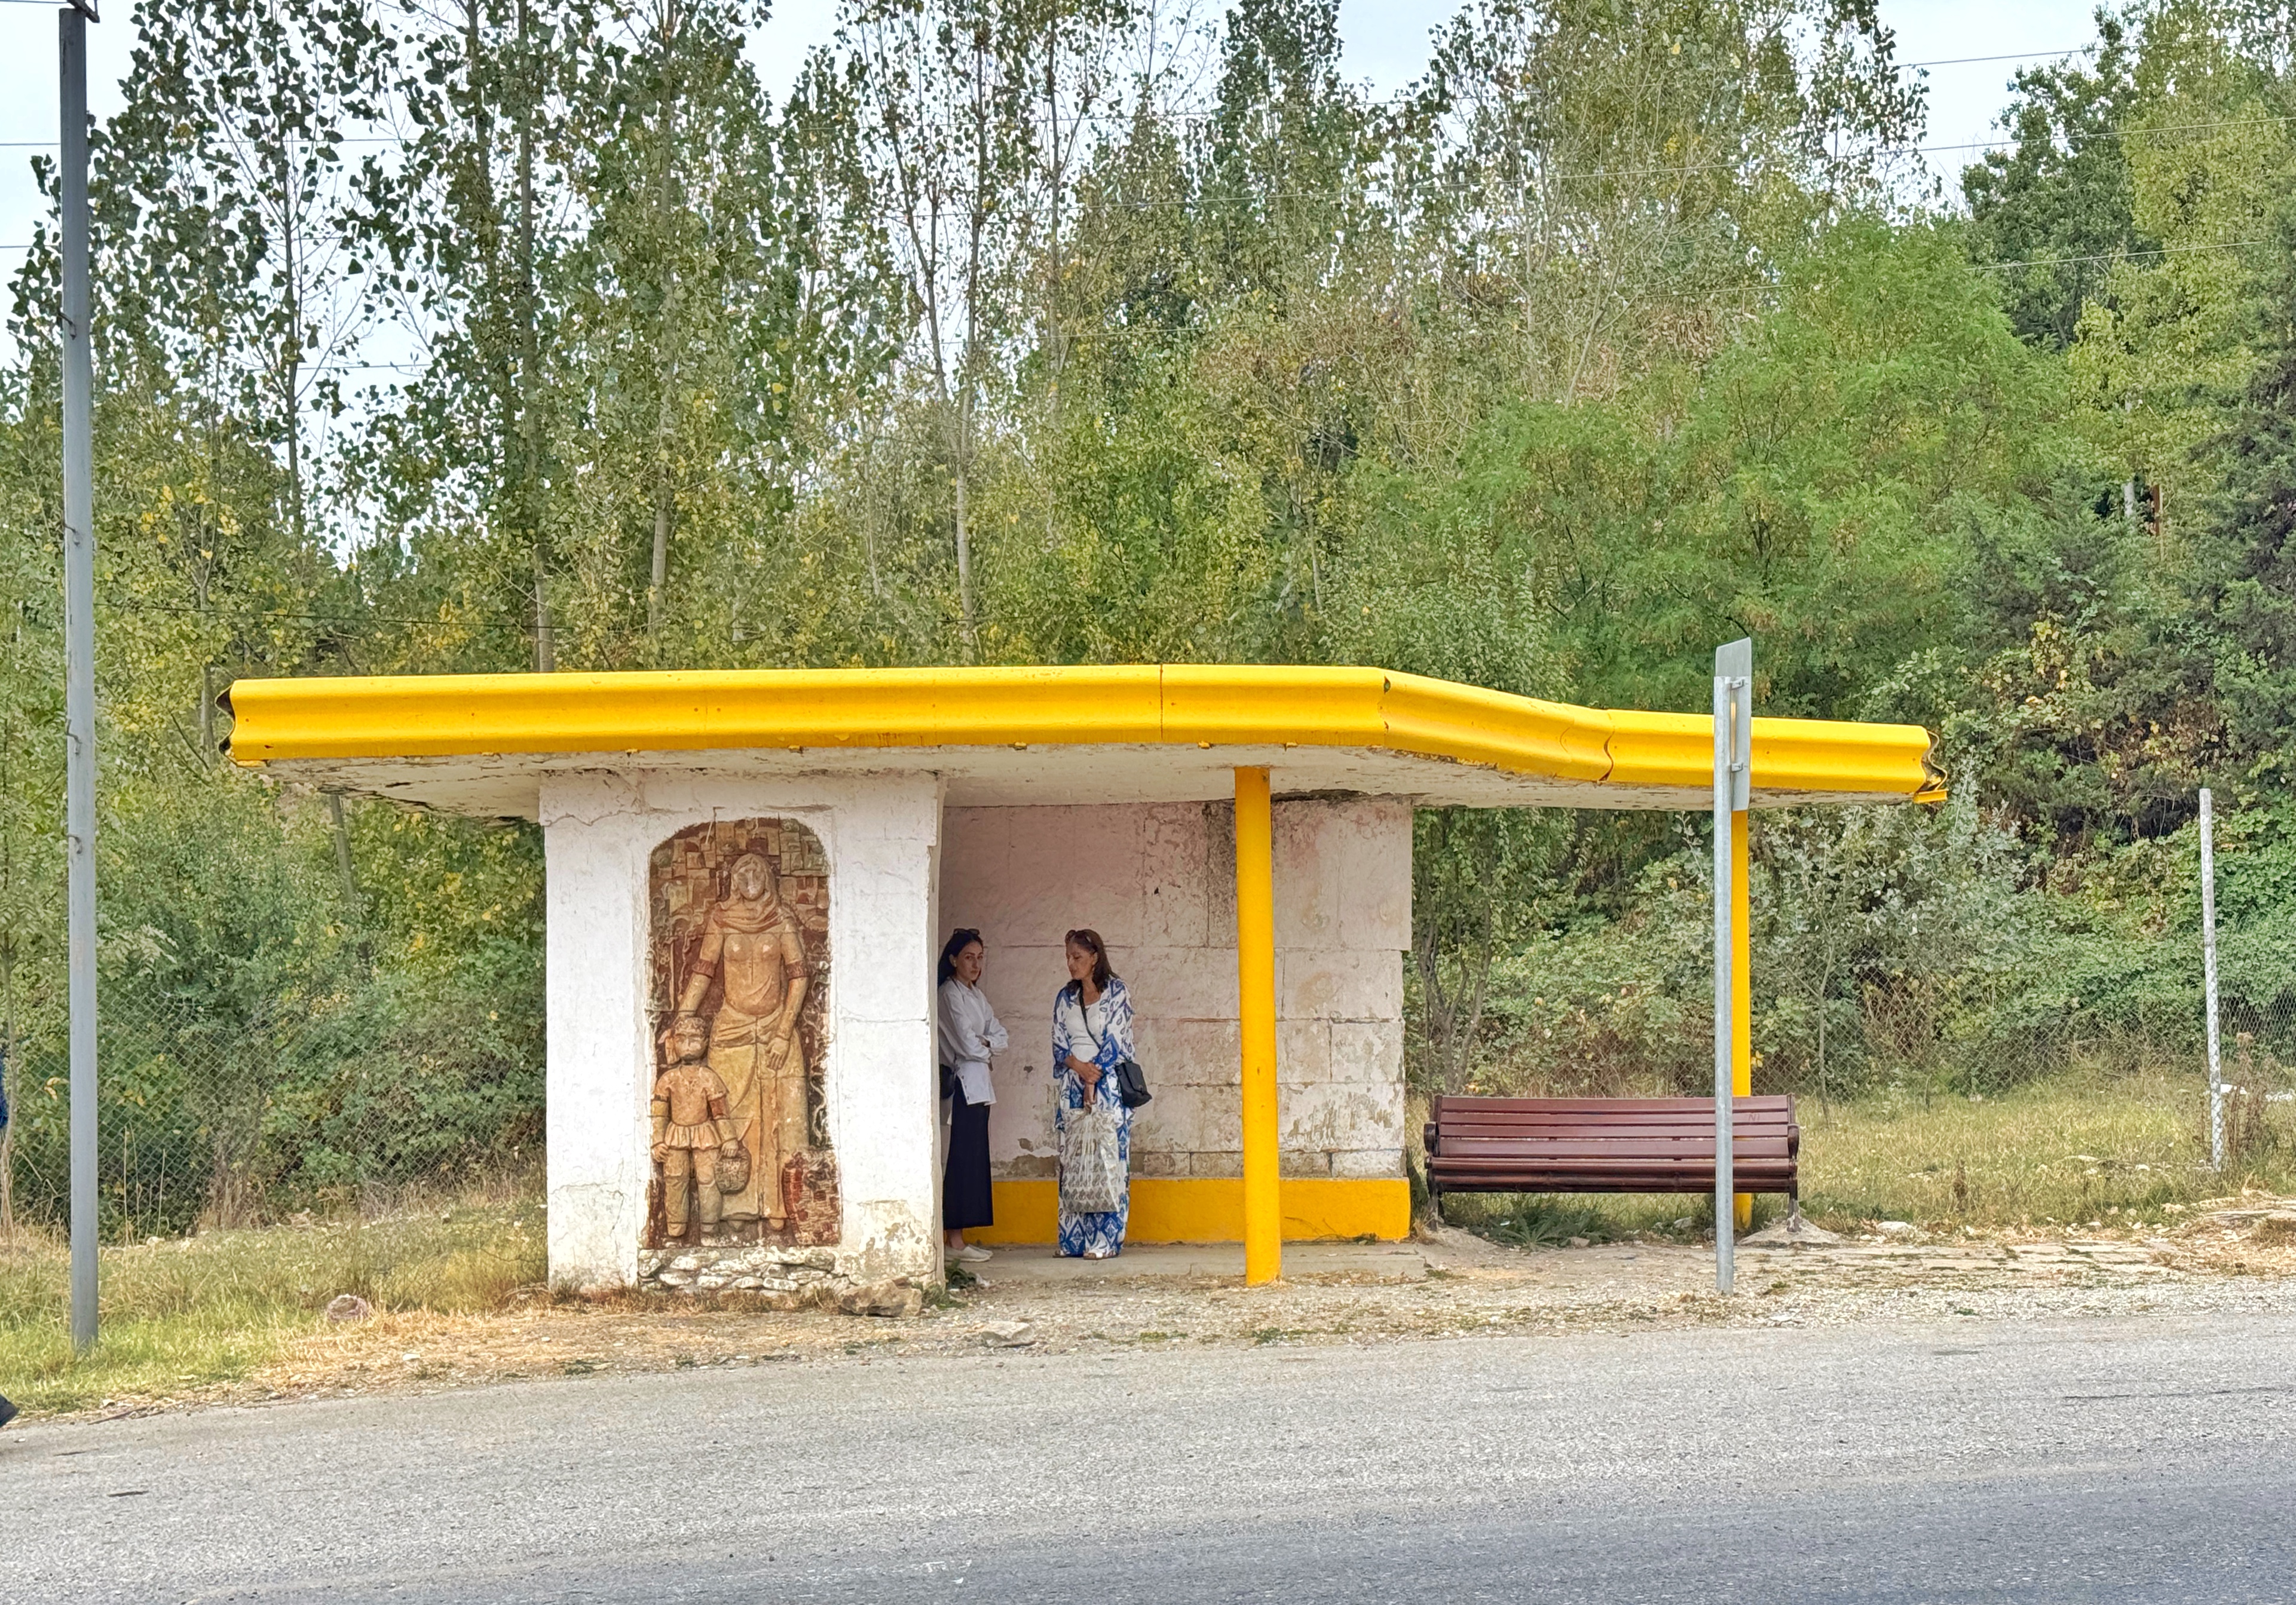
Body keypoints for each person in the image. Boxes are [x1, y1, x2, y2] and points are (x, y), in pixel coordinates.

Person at [677, 852, 809, 1231]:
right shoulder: (722, 919)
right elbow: (704, 971)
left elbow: (799, 976)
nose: (750, 877)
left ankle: (781, 1206)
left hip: (776, 1028)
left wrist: (783, 1032)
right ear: (733, 880)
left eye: (757, 870)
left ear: (768, 877)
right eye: (743, 871)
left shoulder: (781, 920)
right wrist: (683, 1016)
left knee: (785, 1116)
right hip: (731, 1028)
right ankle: (737, 1207)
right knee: (731, 1118)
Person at [1051, 927, 1135, 1259]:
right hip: (1073, 1084)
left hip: (1108, 1086)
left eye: (1078, 957)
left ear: (1095, 958)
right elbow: (1059, 1043)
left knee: (1107, 1162)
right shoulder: (1065, 997)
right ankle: (1073, 1240)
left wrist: (1093, 1077)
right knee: (1074, 1161)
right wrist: (1078, 1068)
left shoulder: (1117, 992)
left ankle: (1106, 1240)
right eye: (1069, 957)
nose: (1072, 964)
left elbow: (1116, 1041)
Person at [936, 927, 1007, 1264]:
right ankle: (954, 1239)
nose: (976, 964)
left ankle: (960, 1237)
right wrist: (985, 1047)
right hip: (962, 1085)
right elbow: (966, 1044)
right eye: (969, 957)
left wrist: (986, 1044)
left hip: (980, 1088)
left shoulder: (976, 996)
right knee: (960, 1160)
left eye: (980, 957)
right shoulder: (949, 994)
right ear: (954, 960)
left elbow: (1002, 1035)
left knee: (974, 1160)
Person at [650, 1014, 743, 1243]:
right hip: (676, 1134)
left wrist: (729, 1139)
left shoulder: (708, 1078)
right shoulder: (668, 1079)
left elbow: (720, 1113)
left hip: (705, 1134)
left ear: (705, 1042)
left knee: (708, 1179)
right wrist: (657, 1141)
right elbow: (659, 1114)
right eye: (682, 1039)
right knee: (675, 1178)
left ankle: (710, 1228)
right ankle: (676, 1228)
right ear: (674, 1042)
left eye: (694, 1039)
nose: (688, 1045)